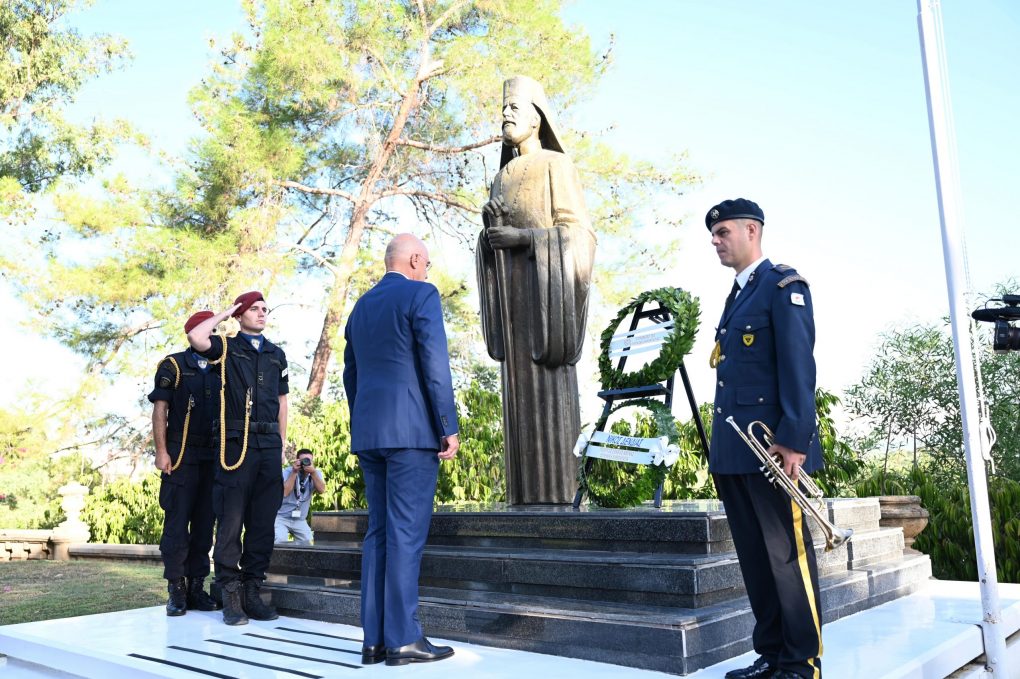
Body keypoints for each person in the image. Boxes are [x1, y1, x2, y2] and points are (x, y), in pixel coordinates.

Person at [707, 198, 824, 679]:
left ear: (752, 231)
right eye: (713, 234)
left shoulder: (782, 286)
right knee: (756, 560)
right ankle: (773, 654)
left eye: (723, 232)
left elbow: (800, 366)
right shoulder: (738, 296)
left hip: (777, 449)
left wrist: (795, 439)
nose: (715, 240)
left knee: (786, 559)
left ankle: (802, 662)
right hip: (737, 450)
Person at [476, 74, 596, 505]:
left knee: (548, 402)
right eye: (503, 108)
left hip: (547, 306)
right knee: (519, 406)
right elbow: (496, 238)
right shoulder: (503, 174)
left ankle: (560, 499)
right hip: (513, 308)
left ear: (537, 116)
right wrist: (492, 234)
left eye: (515, 108)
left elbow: (578, 236)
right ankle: (524, 500)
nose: (506, 115)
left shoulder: (555, 165)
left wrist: (524, 240)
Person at [343, 233, 459, 666]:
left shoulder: (360, 307)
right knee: (406, 535)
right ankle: (405, 639)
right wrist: (447, 426)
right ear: (413, 259)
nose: (427, 271)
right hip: (411, 434)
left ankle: (373, 641)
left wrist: (365, 424)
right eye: (426, 263)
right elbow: (434, 364)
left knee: (379, 535)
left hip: (371, 434)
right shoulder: (421, 294)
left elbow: (350, 376)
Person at [186, 291, 289, 626]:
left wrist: (281, 441)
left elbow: (282, 401)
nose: (262, 313)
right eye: (255, 309)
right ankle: (229, 591)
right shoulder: (226, 347)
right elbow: (196, 336)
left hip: (269, 443)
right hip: (235, 443)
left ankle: (251, 591)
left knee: (262, 523)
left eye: (264, 309)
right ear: (241, 314)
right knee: (230, 521)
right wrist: (227, 312)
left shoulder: (277, 354)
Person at [148, 310, 222, 616]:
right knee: (177, 526)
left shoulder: (223, 366)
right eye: (212, 327)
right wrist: (161, 451)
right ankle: (176, 589)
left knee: (205, 526)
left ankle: (196, 587)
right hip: (180, 457)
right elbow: (160, 411)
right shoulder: (174, 365)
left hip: (213, 458)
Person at [274, 448, 325, 545]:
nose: (306, 464)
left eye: (308, 461)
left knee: (309, 544)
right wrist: (294, 472)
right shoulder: (287, 472)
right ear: (297, 461)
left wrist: (313, 473)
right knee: (279, 540)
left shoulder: (315, 473)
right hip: (280, 517)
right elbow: (284, 493)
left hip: (300, 520)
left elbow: (322, 490)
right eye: (303, 461)